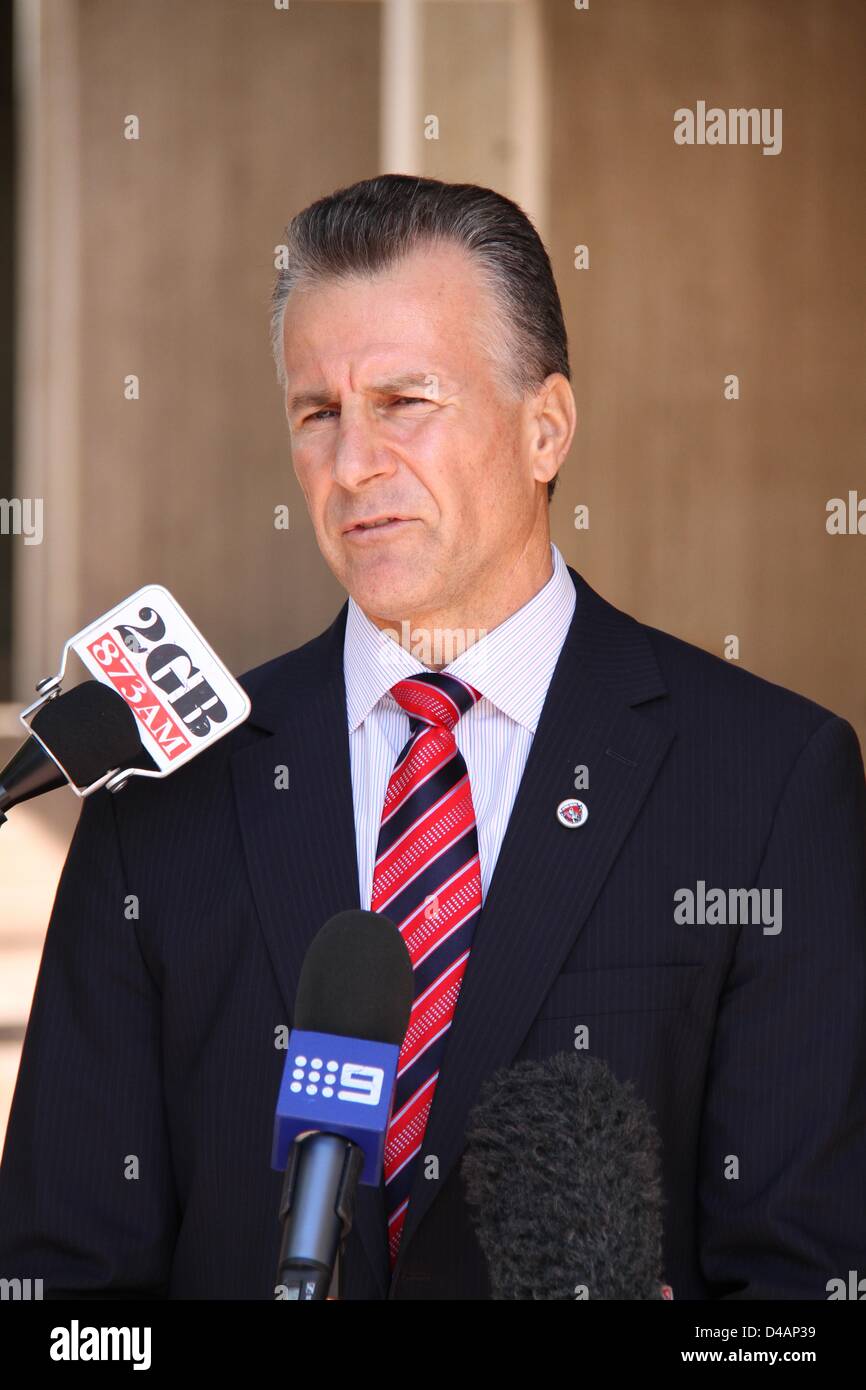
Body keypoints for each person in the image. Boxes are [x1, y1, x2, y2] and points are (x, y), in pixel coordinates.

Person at [1, 174, 864, 1299]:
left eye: (404, 401)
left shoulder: (763, 783)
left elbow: (805, 1291)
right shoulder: (161, 793)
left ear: (544, 425)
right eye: (318, 413)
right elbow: (61, 1291)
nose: (351, 464)